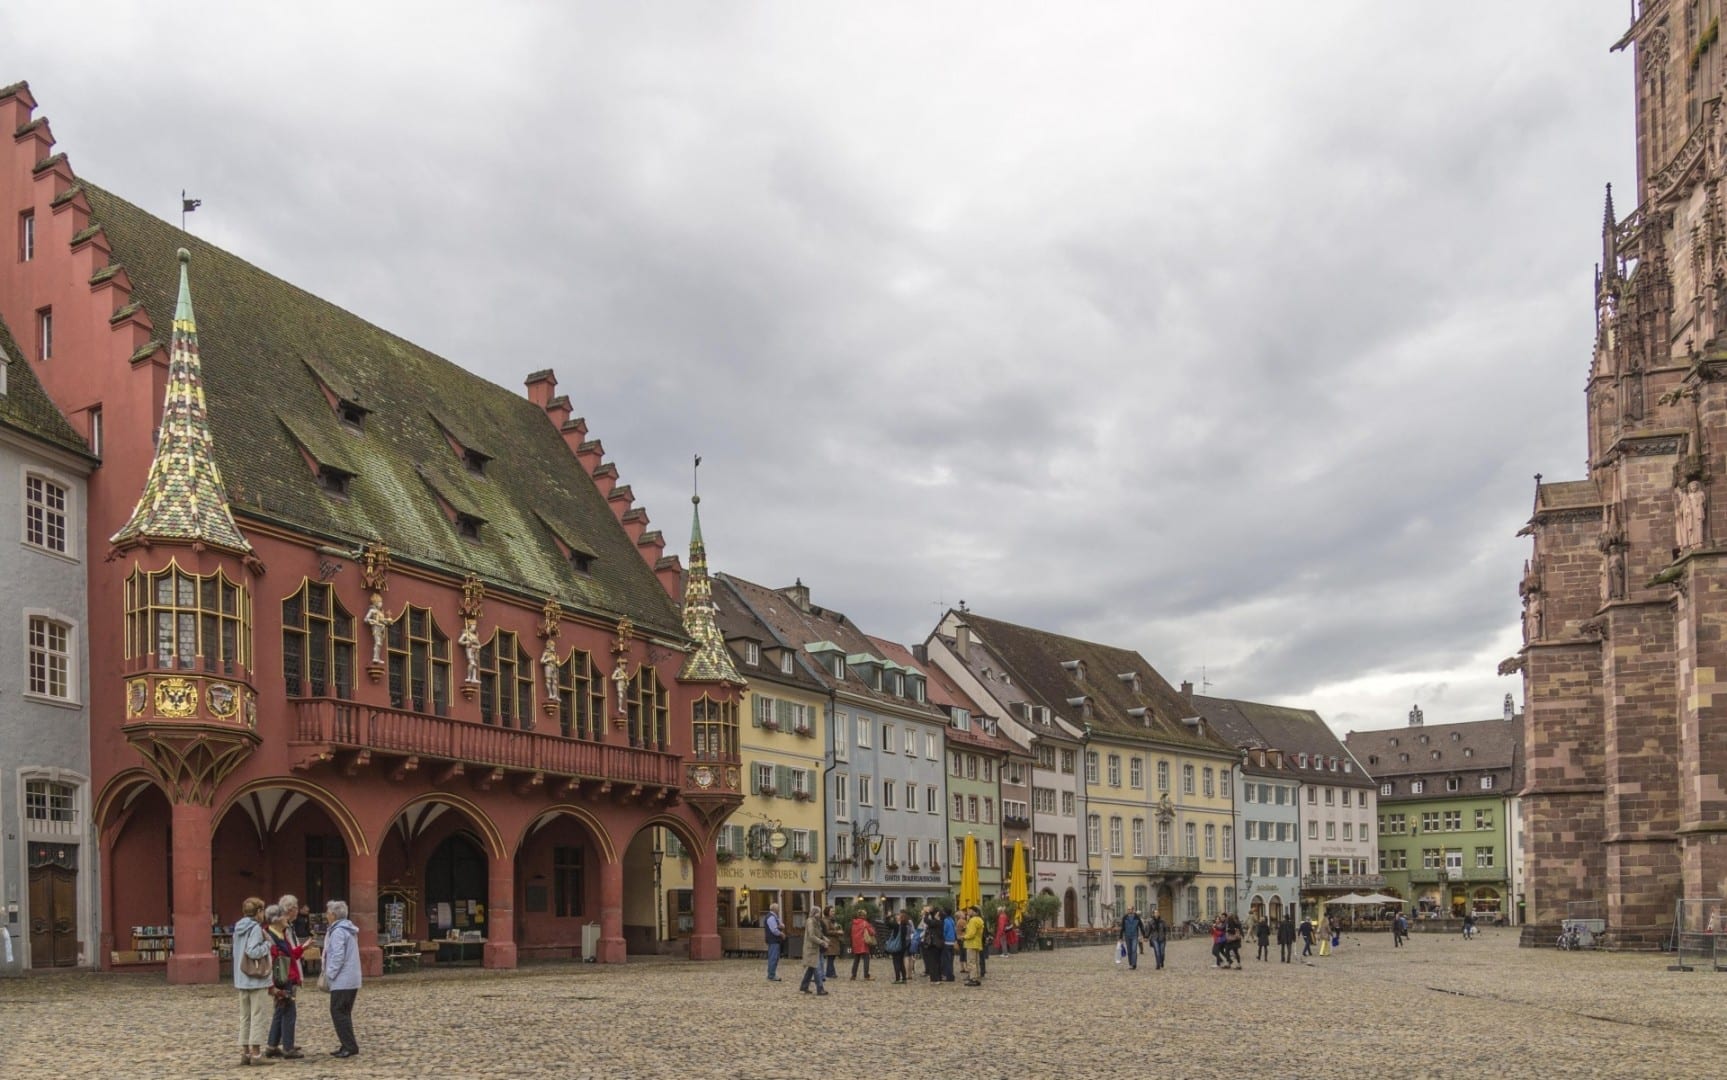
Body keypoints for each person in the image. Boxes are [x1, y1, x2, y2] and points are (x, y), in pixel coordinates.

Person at [232, 896, 275, 1067]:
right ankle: (256, 1054)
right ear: (258, 912)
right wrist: (267, 946)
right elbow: (253, 951)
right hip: (256, 979)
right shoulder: (255, 928)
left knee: (245, 1016)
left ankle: (245, 1052)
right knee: (258, 1015)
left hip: (241, 978)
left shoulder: (238, 928)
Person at [263, 897, 307, 1060]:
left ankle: (272, 1045)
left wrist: (302, 948)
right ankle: (288, 1047)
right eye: (283, 916)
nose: (286, 918)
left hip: (288, 975)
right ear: (277, 919)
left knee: (281, 1010)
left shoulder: (280, 934)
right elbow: (274, 960)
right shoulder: (271, 937)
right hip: (282, 977)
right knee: (289, 1011)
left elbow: (291, 955)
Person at [323, 899, 362, 1059]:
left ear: (333, 915)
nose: (326, 915)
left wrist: (329, 974)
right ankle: (347, 1044)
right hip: (350, 978)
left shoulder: (339, 931)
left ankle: (349, 1045)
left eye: (328, 913)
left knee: (338, 1011)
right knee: (343, 1012)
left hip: (343, 979)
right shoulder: (347, 930)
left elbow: (337, 955)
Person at [799, 907, 829, 995]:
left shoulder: (816, 921)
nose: (820, 914)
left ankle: (804, 986)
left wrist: (824, 937)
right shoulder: (810, 921)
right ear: (815, 912)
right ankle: (820, 989)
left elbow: (818, 932)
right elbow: (811, 935)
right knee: (817, 969)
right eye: (818, 913)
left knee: (811, 968)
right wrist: (822, 942)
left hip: (815, 948)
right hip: (811, 948)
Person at [962, 906, 986, 986]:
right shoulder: (980, 920)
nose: (968, 912)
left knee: (971, 962)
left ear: (974, 912)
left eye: (970, 911)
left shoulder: (972, 921)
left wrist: (964, 937)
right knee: (976, 961)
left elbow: (971, 933)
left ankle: (973, 978)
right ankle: (977, 977)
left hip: (971, 943)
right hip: (977, 943)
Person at [889, 910, 914, 983]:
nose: (897, 916)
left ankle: (897, 978)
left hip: (897, 946)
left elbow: (888, 924)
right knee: (901, 962)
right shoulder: (906, 926)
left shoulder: (898, 926)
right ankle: (904, 978)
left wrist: (888, 916)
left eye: (899, 916)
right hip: (903, 946)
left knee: (896, 962)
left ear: (901, 918)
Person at [763, 903, 787, 981]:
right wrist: (781, 933)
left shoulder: (775, 917)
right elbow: (774, 929)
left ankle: (771, 974)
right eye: (778, 908)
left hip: (774, 940)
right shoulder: (771, 917)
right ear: (774, 909)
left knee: (775, 957)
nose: (779, 909)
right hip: (773, 939)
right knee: (773, 957)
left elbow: (781, 925)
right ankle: (771, 975)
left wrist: (780, 926)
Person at [849, 908, 874, 981]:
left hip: (856, 943)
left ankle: (853, 975)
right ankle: (866, 975)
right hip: (863, 943)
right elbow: (872, 932)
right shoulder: (865, 923)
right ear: (864, 916)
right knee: (866, 960)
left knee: (856, 960)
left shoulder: (853, 923)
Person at [923, 906, 944, 984]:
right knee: (937, 961)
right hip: (938, 944)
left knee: (933, 962)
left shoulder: (936, 922)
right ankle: (938, 978)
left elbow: (926, 921)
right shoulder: (939, 922)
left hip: (934, 944)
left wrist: (926, 913)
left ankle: (934, 979)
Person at [822, 906, 840, 979]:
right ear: (827, 912)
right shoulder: (826, 920)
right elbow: (826, 931)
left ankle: (831, 972)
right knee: (830, 957)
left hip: (834, 941)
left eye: (833, 911)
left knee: (832, 957)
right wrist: (837, 932)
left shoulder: (832, 920)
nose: (833, 913)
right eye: (832, 911)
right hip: (830, 941)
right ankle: (830, 973)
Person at [940, 907, 958, 982]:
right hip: (952, 942)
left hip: (947, 942)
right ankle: (951, 974)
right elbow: (954, 930)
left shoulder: (945, 921)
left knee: (947, 960)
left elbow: (944, 931)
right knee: (951, 960)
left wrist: (942, 938)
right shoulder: (952, 920)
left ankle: (948, 976)